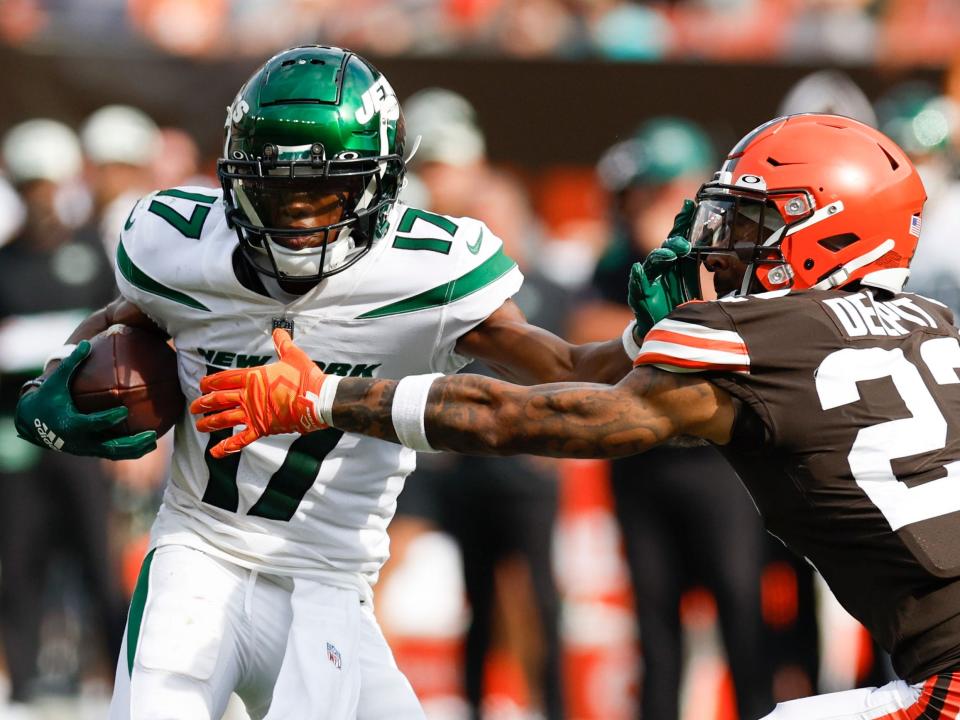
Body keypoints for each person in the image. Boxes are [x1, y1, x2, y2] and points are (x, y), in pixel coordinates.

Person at [194, 113, 960, 718]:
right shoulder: (936, 322)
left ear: (828, 233)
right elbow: (580, 368)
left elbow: (540, 420)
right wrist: (619, 337)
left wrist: (326, 397)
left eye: (753, 226)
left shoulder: (759, 341)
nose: (720, 248)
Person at [12, 45, 633, 719]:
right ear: (235, 183)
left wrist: (651, 337)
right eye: (276, 192)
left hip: (329, 586)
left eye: (324, 190)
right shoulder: (181, 250)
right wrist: (51, 390)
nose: (301, 220)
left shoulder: (426, 274)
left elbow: (572, 369)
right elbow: (108, 323)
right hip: (199, 557)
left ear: (381, 182)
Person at [576, 117, 773, 719]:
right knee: (655, 628)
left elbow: (723, 332)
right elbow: (583, 336)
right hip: (642, 460)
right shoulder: (619, 260)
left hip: (719, 463)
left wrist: (657, 327)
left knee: (741, 613)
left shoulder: (728, 258)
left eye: (661, 189)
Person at [389, 88, 567, 719]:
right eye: (429, 167)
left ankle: (545, 707)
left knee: (531, 598)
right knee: (452, 592)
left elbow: (571, 356)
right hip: (438, 449)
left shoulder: (529, 278)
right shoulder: (406, 253)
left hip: (506, 458)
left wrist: (566, 435)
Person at [0, 119, 123, 715]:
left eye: (47, 184)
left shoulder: (89, 254)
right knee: (18, 564)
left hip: (83, 442)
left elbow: (120, 341)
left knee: (99, 565)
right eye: (29, 185)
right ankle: (20, 688)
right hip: (17, 444)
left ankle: (118, 684)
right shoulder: (4, 264)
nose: (40, 196)